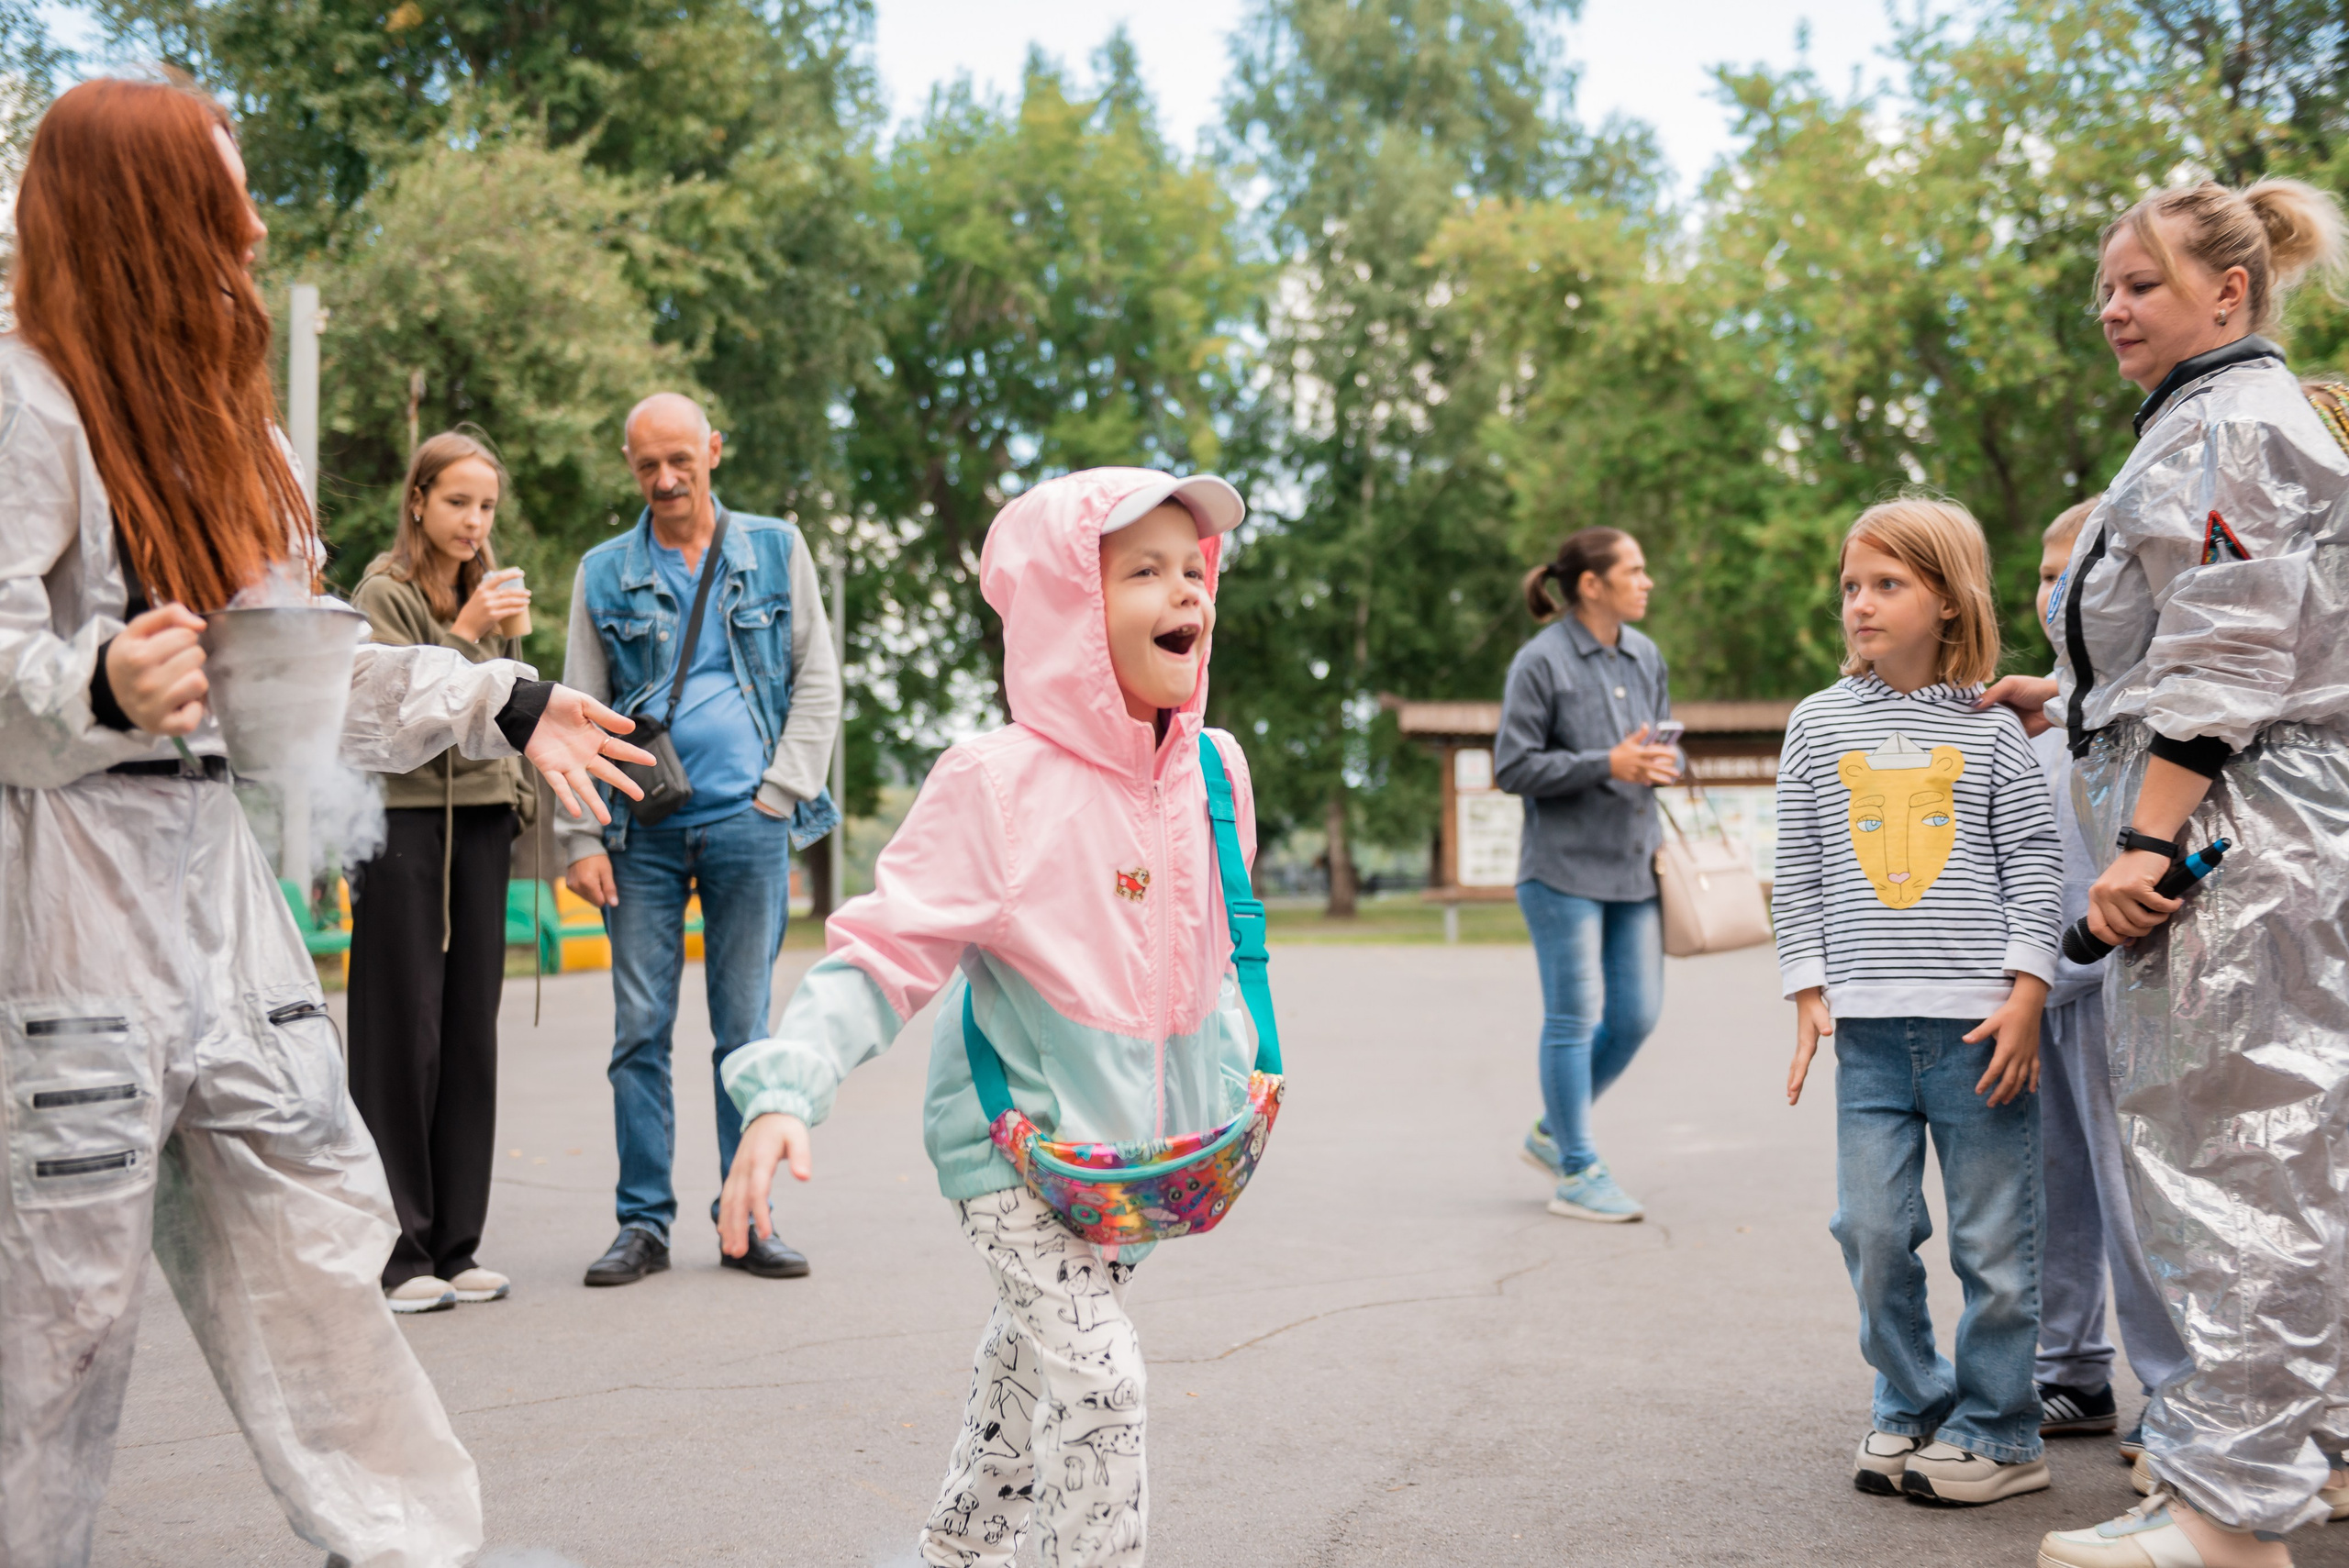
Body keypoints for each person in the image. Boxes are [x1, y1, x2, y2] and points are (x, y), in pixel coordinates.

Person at [0, 80, 648, 1567]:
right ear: (142, 214)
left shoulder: (237, 442)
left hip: (219, 907)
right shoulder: (25, 404)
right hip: (63, 919)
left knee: (322, 1253)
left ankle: (413, 1546)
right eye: (222, 200)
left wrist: (499, 696)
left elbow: (306, 685)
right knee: (59, 1317)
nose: (250, 228)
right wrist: (95, 679)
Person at [713, 467, 1256, 1568]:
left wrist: (1234, 1075)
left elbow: (1217, 951)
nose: (1184, 591)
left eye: (1192, 571)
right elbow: (883, 947)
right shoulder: (996, 782)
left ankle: (959, 1547)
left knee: (1030, 1357)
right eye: (1142, 571)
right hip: (1013, 1153)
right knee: (1100, 1381)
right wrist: (785, 1087)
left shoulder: (1214, 768)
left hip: (1139, 1161)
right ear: (1069, 605)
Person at [1973, 179, 2349, 1568]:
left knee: (2234, 1168)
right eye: (2106, 288)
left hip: (2225, 846)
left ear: (2228, 292)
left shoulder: (2234, 425)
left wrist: (2143, 840)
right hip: (2247, 828)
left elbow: (2234, 643)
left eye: (2139, 284)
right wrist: (2069, 694)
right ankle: (2279, 1466)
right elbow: (2186, 630)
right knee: (2276, 1154)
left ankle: (2230, 1515)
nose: (2111, 309)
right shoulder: (2215, 418)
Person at [1776, 497, 2063, 1508]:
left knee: (1994, 1243)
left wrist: (2029, 991)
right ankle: (1913, 1396)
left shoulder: (1992, 730)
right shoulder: (1816, 723)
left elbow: (2035, 865)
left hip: (1981, 1029)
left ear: (1948, 600)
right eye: (1851, 584)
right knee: (1869, 1229)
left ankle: (2003, 1429)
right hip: (1864, 1033)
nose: (1860, 603)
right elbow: (1799, 867)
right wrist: (1806, 989)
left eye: (1887, 584)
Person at [561, 392, 841, 1286]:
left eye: (681, 459)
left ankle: (744, 1218)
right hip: (639, 834)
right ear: (629, 464)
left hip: (747, 826)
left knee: (743, 1033)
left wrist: (779, 794)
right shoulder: (604, 571)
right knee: (639, 1031)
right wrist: (580, 835)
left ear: (714, 449)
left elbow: (817, 678)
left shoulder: (776, 549)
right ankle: (642, 1224)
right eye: (648, 464)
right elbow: (577, 706)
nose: (666, 478)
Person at [347, 429, 539, 1315]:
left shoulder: (487, 591)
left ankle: (458, 1245)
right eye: (458, 501)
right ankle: (398, 1253)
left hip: (484, 823)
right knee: (400, 1031)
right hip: (402, 826)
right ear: (418, 499)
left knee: (469, 1032)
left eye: (487, 505)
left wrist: (520, 796)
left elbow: (519, 712)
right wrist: (465, 636)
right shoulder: (381, 593)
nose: (474, 521)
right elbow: (389, 710)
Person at [2020, 497, 2195, 1459]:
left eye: (2074, 574)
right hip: (2037, 982)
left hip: (2118, 979)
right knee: (2051, 1190)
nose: (2055, 594)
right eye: (2045, 575)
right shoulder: (2045, 712)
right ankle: (2068, 1368)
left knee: (2136, 1202)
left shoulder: (2154, 705)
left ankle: (2176, 1389)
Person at [1493, 528, 1680, 1223]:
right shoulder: (1539, 661)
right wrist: (1607, 763)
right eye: (1635, 570)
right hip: (1561, 872)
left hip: (1635, 867)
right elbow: (1513, 766)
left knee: (1636, 1016)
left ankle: (1554, 1129)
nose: (1647, 581)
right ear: (1592, 585)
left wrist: (1662, 762)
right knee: (1572, 1019)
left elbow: (1658, 743)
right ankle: (1576, 1167)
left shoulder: (1646, 655)